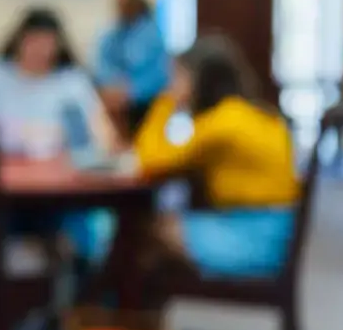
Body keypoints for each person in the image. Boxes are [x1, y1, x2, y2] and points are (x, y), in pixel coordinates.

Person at [118, 34, 299, 282]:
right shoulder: (252, 113)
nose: (172, 84)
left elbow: (149, 160)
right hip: (277, 231)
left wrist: (165, 103)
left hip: (255, 238)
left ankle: (122, 310)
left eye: (178, 77)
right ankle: (137, 311)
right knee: (153, 231)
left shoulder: (223, 123)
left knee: (144, 228)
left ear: (199, 80)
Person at [0, 7, 118, 158]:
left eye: (47, 43)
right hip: (1, 169)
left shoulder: (73, 81)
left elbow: (105, 136)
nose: (39, 49)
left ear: (59, 46)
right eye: (33, 41)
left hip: (59, 172)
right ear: (18, 40)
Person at [96, 0, 170, 136]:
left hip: (144, 104)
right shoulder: (114, 33)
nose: (122, 7)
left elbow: (159, 75)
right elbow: (102, 63)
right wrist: (111, 86)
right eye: (119, 3)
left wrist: (130, 92)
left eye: (126, 2)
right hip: (116, 100)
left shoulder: (152, 35)